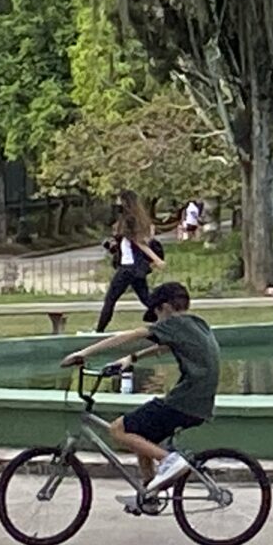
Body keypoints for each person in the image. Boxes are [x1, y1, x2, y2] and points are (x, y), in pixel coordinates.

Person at [58, 280, 217, 506]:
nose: (157, 320)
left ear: (165, 308)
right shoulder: (195, 324)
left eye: (156, 314)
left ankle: (170, 461)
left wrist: (83, 353)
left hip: (185, 401)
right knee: (141, 435)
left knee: (118, 429)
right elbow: (166, 346)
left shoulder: (174, 323)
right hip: (198, 402)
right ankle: (150, 494)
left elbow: (129, 335)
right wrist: (132, 358)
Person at [96, 191, 165, 333]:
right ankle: (166, 318)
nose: (117, 204)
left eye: (119, 201)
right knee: (147, 299)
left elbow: (139, 243)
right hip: (138, 268)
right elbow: (133, 244)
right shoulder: (138, 219)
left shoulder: (129, 220)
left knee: (110, 299)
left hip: (127, 268)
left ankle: (99, 331)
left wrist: (156, 259)